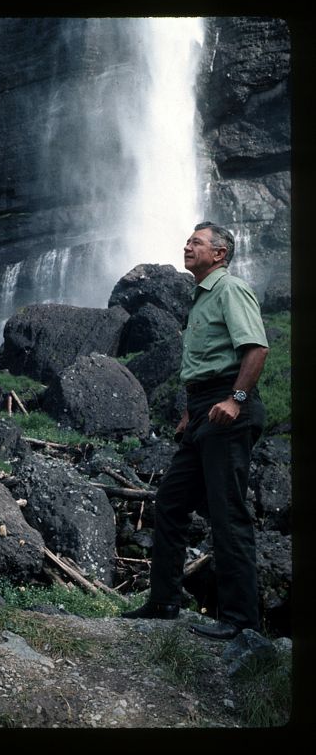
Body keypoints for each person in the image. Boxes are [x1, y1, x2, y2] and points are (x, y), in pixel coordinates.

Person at [122, 222, 269, 639]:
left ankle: (241, 623)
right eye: (187, 240)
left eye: (196, 242)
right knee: (170, 502)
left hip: (228, 408)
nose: (186, 246)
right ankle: (163, 601)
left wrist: (235, 401)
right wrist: (192, 410)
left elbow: (256, 349)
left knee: (228, 512)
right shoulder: (200, 297)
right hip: (205, 409)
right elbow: (205, 363)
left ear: (219, 254)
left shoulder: (229, 290)